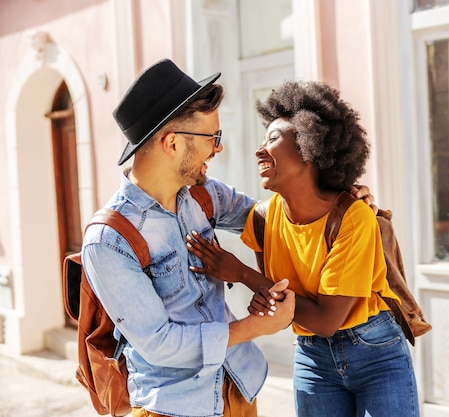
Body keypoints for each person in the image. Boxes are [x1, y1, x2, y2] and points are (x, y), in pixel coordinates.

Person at [186, 80, 420, 417]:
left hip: (375, 355)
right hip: (312, 357)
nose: (259, 149)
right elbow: (279, 302)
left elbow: (326, 319)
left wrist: (240, 273)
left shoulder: (354, 218)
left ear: (311, 146)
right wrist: (268, 295)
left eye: (274, 138)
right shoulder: (263, 219)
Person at [81, 59, 297, 417]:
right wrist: (256, 326)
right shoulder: (109, 240)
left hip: (241, 388)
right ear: (172, 144)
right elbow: (159, 344)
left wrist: (337, 198)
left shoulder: (202, 194)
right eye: (213, 137)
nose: (218, 148)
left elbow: (273, 218)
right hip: (176, 407)